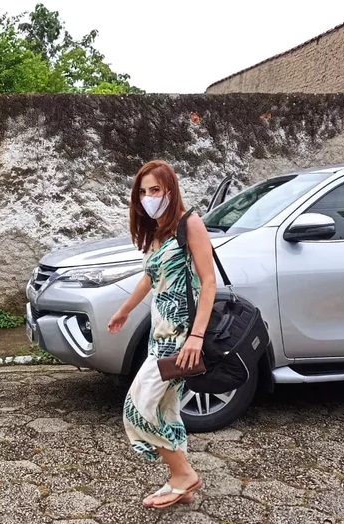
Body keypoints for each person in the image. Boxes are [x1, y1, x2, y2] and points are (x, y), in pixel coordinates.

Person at [107, 160, 217, 509]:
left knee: (136, 409)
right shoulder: (159, 232)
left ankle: (182, 474)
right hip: (160, 335)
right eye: (143, 192)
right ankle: (182, 484)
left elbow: (209, 282)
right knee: (167, 409)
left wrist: (196, 338)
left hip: (181, 338)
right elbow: (150, 277)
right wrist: (124, 310)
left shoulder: (191, 224)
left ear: (171, 189)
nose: (149, 197)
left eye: (155, 190)